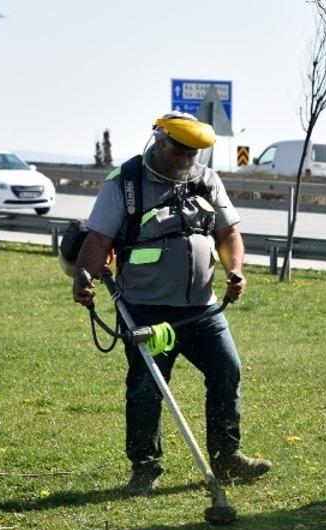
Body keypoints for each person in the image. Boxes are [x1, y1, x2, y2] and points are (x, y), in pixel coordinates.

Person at [72, 111, 271, 494]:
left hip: (202, 308)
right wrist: (85, 278)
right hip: (146, 309)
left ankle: (227, 458)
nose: (188, 160)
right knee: (147, 386)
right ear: (160, 142)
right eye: (181, 151)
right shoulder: (125, 184)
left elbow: (228, 233)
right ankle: (145, 469)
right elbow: (97, 241)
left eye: (195, 153)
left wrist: (235, 272)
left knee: (227, 371)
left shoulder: (207, 181)